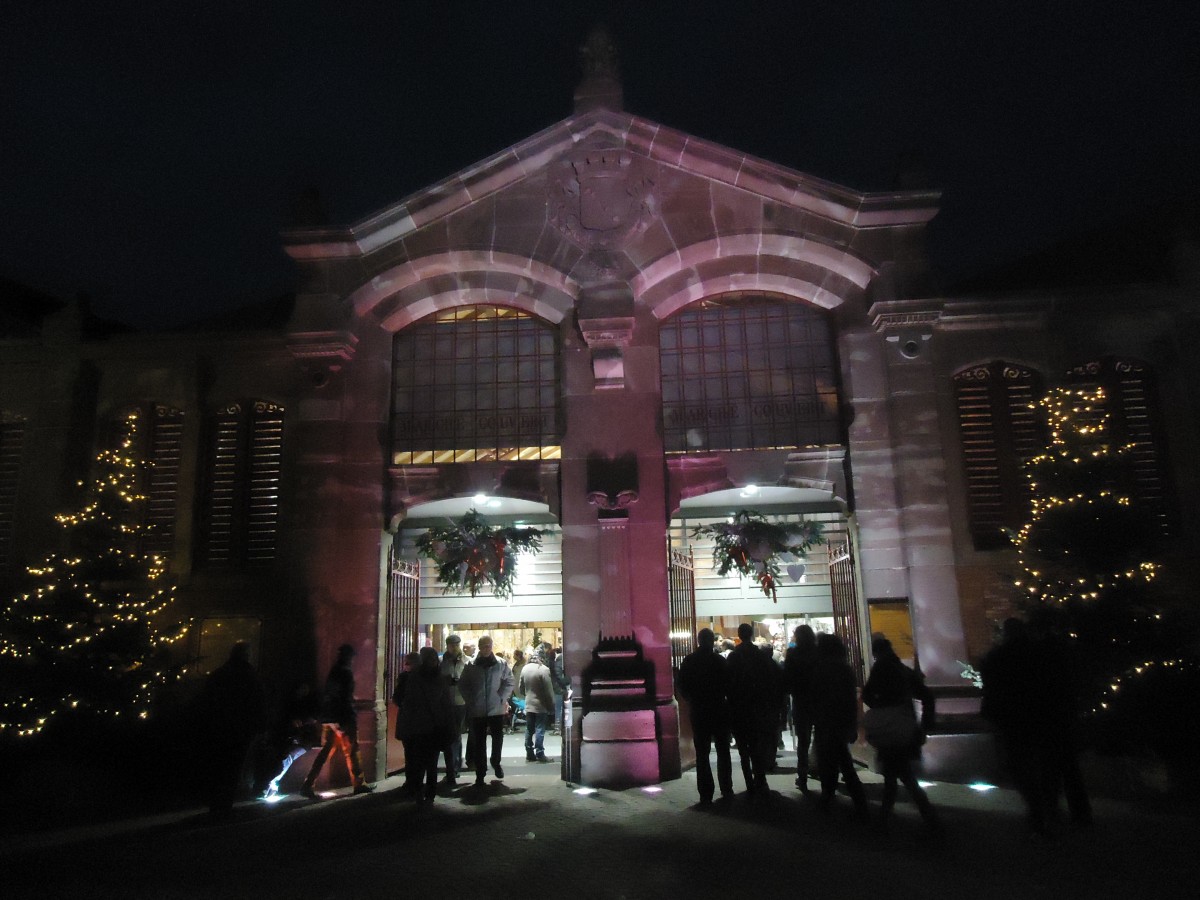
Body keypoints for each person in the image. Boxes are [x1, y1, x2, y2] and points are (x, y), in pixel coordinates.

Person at [981, 618, 1091, 837]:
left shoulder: (997, 658)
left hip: (1015, 718)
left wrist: (993, 714)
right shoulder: (1045, 654)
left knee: (1023, 766)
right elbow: (1061, 682)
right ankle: (1069, 810)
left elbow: (991, 688)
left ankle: (1038, 809)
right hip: (1047, 716)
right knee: (1057, 764)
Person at [862, 637, 939, 832]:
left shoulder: (880, 670)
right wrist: (924, 727)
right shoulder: (903, 671)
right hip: (904, 728)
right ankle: (925, 818)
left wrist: (880, 707)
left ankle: (888, 819)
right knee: (901, 775)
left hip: (890, 731)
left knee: (899, 776)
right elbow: (927, 696)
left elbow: (867, 694)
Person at [198, 642, 266, 814]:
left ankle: (215, 804)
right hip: (240, 728)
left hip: (218, 727)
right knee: (233, 767)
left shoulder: (219, 674)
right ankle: (225, 805)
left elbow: (207, 699)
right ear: (246, 655)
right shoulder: (249, 676)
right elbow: (257, 702)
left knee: (219, 766)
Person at [302, 643, 375, 798]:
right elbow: (343, 698)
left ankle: (308, 784)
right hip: (343, 718)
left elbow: (330, 696)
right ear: (349, 657)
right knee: (352, 752)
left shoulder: (334, 671)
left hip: (329, 718)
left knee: (325, 752)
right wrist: (340, 721)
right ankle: (359, 784)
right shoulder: (345, 672)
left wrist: (329, 719)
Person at [810, 632, 869, 819]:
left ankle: (828, 797)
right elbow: (850, 700)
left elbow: (817, 696)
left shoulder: (820, 669)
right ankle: (858, 802)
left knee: (830, 761)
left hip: (825, 721)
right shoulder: (844, 669)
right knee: (843, 760)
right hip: (841, 721)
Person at [677, 628, 734, 805]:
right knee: (723, 750)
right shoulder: (719, 661)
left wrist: (690, 699)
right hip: (718, 707)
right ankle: (726, 787)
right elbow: (728, 684)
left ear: (699, 640)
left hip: (699, 708)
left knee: (702, 753)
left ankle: (705, 792)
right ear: (712, 641)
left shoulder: (689, 661)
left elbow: (681, 685)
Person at [725, 622, 782, 794]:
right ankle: (760, 779)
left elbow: (728, 682)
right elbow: (771, 681)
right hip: (757, 706)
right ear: (751, 635)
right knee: (757, 745)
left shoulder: (734, 657)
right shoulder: (760, 656)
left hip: (739, 707)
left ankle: (749, 782)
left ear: (739, 635)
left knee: (743, 748)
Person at [398, 646, 456, 806]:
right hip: (426, 725)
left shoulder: (418, 678)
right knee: (423, 762)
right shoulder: (426, 678)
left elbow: (445, 704)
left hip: (429, 726)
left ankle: (427, 793)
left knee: (429, 763)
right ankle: (423, 792)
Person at [457, 635, 514, 785]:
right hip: (478, 709)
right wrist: (471, 700)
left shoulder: (501, 664)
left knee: (497, 738)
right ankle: (480, 771)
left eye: (488, 646)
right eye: (483, 646)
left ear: (491, 646)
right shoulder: (471, 665)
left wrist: (501, 697)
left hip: (496, 709)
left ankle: (496, 762)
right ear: (479, 647)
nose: (486, 649)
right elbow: (463, 684)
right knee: (479, 742)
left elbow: (509, 681)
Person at [256, 681, 320, 801]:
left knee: (288, 756)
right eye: (301, 688)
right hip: (293, 736)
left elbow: (311, 722)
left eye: (305, 688)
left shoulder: (307, 705)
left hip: (304, 739)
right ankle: (268, 783)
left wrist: (302, 724)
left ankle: (272, 783)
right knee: (281, 754)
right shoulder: (293, 704)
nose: (303, 691)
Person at [783, 624, 818, 794]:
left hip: (800, 700)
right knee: (822, 736)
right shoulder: (819, 652)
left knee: (803, 742)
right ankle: (824, 772)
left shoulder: (793, 654)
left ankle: (802, 775)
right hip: (818, 700)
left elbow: (788, 678)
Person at [391, 651, 421, 797]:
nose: (405, 665)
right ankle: (416, 781)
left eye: (408, 662)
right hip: (419, 719)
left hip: (410, 719)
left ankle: (412, 781)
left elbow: (396, 698)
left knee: (410, 752)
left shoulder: (405, 678)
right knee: (416, 752)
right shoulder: (424, 677)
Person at [439, 635, 468, 785]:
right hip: (445, 703)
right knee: (449, 735)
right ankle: (453, 766)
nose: (454, 647)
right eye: (451, 645)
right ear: (447, 646)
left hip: (460, 702)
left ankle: (455, 766)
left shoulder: (467, 661)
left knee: (456, 734)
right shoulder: (441, 662)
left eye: (456, 644)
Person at [519, 645, 556, 762]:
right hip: (541, 705)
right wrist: (551, 705)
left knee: (529, 729)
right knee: (540, 729)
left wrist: (527, 695)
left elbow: (520, 688)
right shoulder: (544, 670)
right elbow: (549, 691)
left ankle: (529, 753)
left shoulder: (525, 668)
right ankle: (540, 753)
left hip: (529, 704)